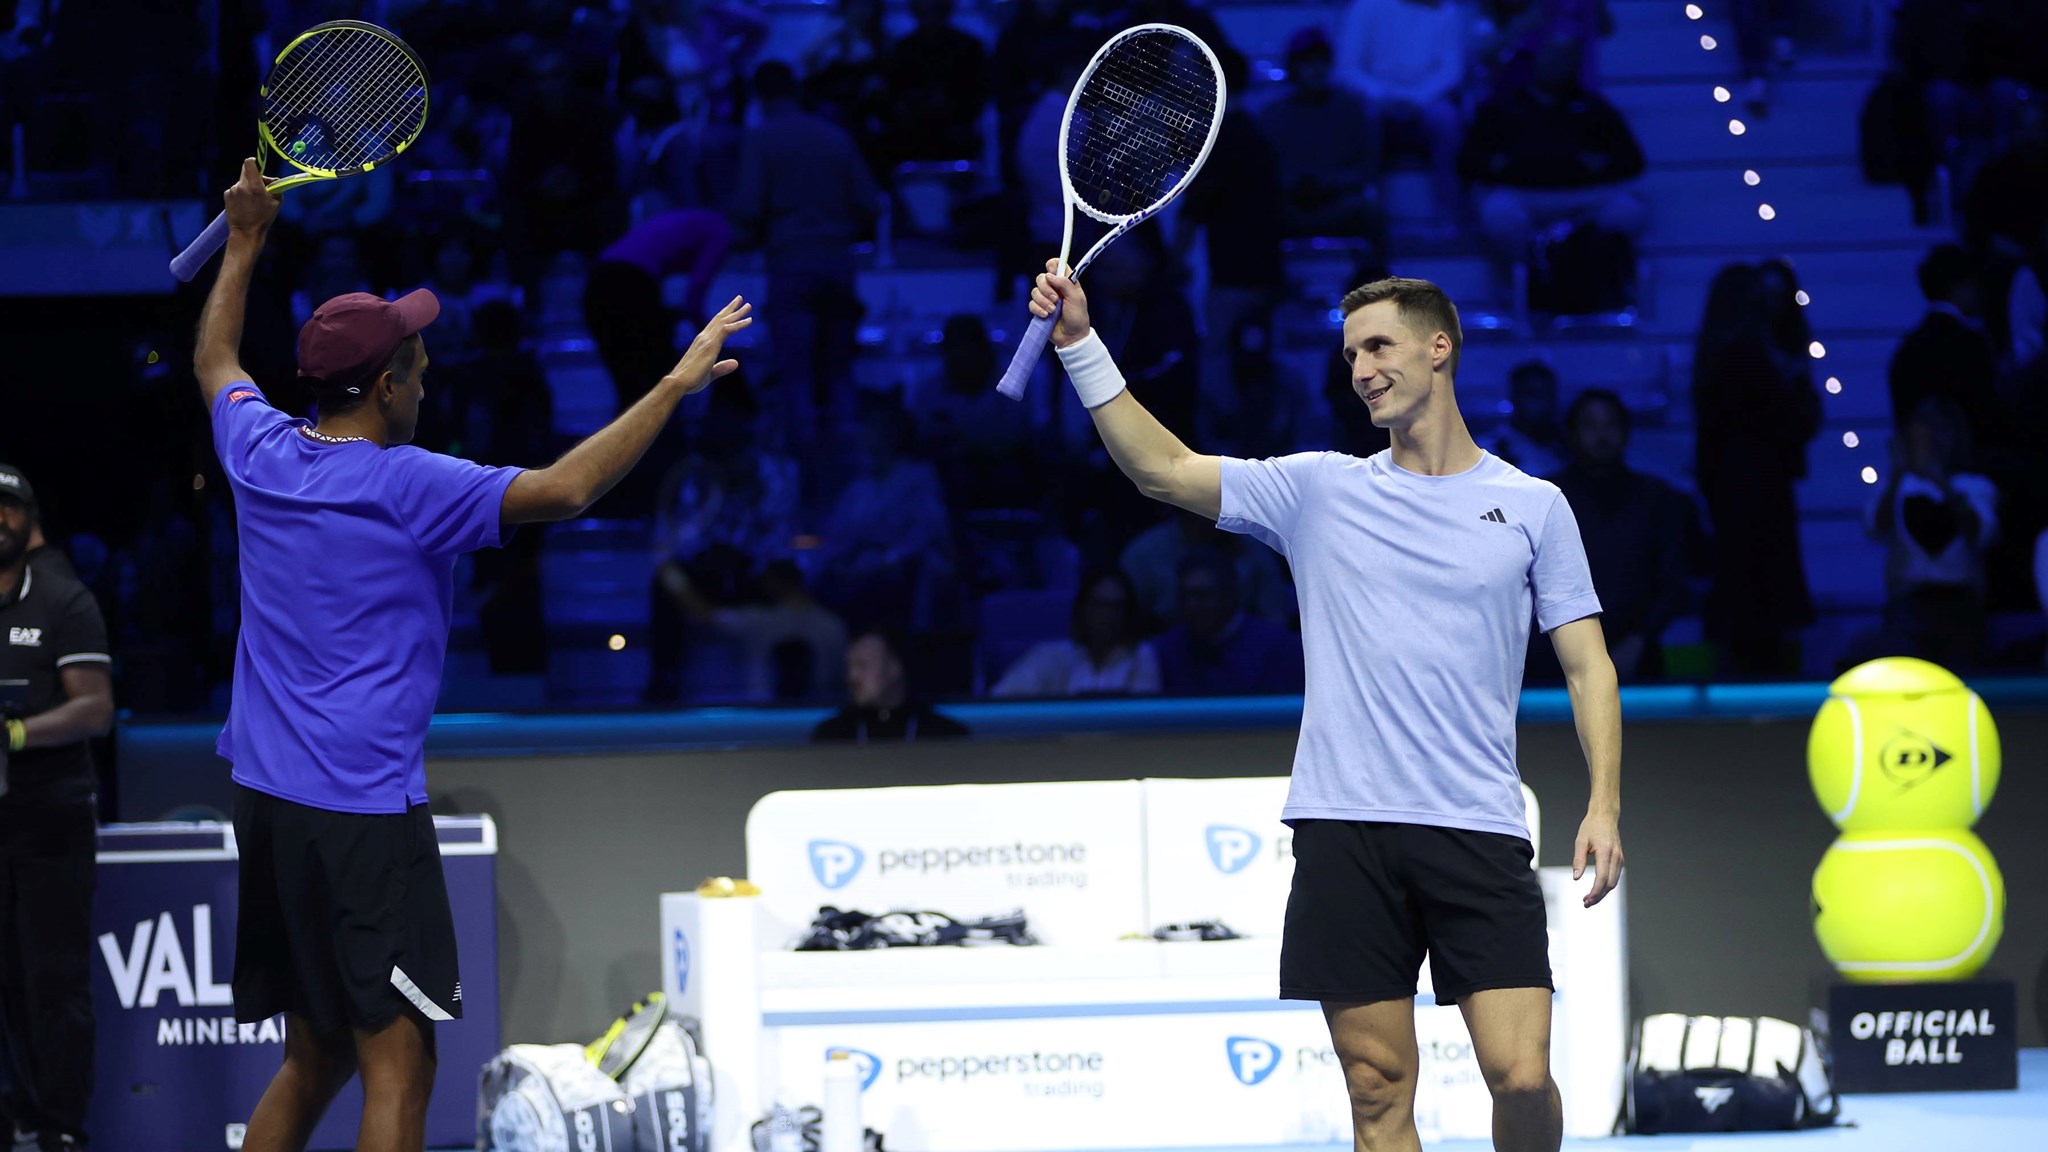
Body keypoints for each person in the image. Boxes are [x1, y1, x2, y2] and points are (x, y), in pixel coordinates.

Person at [194, 159, 754, 1152]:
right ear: (380, 387)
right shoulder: (408, 483)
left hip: (268, 806)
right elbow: (568, 491)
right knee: (400, 1072)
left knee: (313, 1054)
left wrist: (240, 246)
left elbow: (214, 361)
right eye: (413, 363)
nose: (426, 373)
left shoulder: (257, 453)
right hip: (363, 816)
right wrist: (671, 382)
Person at [1027, 262, 1622, 1152]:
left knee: (1522, 1075)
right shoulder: (1319, 490)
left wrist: (1604, 805)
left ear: (1439, 348)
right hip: (1346, 830)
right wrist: (1078, 344)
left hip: (1477, 827)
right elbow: (1165, 470)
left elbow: (1589, 668)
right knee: (1378, 1091)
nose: (1362, 368)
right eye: (1350, 355)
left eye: (1380, 346)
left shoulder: (1534, 507)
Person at [0, 464, 115, 1152]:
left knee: (54, 980)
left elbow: (95, 709)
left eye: (6, 508)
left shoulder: (64, 600)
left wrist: (14, 732)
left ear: (28, 518)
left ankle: (63, 1126)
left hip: (51, 820)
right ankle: (15, 1112)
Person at [728, 60, 880, 450]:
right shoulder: (834, 137)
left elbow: (747, 206)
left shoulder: (761, 139)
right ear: (795, 89)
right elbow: (868, 201)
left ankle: (806, 473)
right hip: (837, 260)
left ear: (760, 97)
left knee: (796, 374)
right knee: (840, 371)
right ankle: (850, 464)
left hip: (791, 259)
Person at [1692, 263, 1819, 675]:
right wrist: (1794, 380)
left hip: (1734, 481)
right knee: (1759, 595)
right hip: (1758, 481)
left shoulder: (1715, 351)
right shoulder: (1749, 355)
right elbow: (1793, 423)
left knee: (1742, 590)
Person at [1540, 390, 1698, 682]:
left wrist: (1639, 639)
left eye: (1611, 424)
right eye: (1590, 425)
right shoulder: (1544, 498)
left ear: (1626, 434)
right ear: (1571, 435)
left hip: (1637, 658)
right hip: (1556, 660)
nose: (1601, 435)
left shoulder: (1657, 498)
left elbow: (1674, 584)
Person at [1461, 36, 1647, 265]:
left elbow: (1632, 160)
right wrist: (1500, 165)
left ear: (1576, 65)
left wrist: (1603, 166)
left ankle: (1597, 278)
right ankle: (1525, 281)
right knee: (1498, 213)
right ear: (1537, 59)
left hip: (1583, 194)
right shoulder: (1502, 106)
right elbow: (1469, 159)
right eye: (1551, 55)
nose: (1556, 63)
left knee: (1627, 211)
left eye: (1566, 58)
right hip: (1523, 193)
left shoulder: (1594, 108)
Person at [1865, 398, 1999, 670]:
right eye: (1924, 428)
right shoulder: (1896, 487)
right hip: (1909, 601)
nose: (1932, 438)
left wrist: (1941, 482)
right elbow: (1875, 527)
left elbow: (1981, 534)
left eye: (1941, 429)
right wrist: (1897, 475)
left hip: (1961, 604)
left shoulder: (1974, 486)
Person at [1335, 0, 1468, 225]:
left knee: (1447, 122)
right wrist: (1381, 95)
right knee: (1363, 121)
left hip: (1428, 99)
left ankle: (1449, 213)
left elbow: (1451, 69)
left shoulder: (1448, 12)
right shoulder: (1365, 7)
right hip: (1374, 97)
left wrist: (1417, 99)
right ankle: (1368, 209)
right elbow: (1348, 67)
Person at [653, 559, 849, 703]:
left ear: (775, 584)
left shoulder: (760, 621)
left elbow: (704, 614)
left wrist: (670, 573)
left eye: (765, 581)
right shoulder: (832, 624)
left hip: (776, 714)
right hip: (813, 712)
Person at [1257, 29, 1382, 242]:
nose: (1316, 69)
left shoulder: (1352, 111)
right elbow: (1260, 171)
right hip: (1288, 205)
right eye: (1307, 62)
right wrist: (1294, 184)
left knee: (1371, 213)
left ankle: (1371, 274)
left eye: (1321, 61)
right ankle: (1263, 276)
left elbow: (1368, 167)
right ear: (1293, 66)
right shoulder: (1272, 116)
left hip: (1338, 204)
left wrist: (1330, 183)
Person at [1888, 244, 2001, 453]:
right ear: (1959, 285)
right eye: (1976, 284)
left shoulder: (1909, 346)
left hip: (1922, 461)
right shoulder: (1969, 344)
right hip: (1971, 457)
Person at [1153, 550, 1305, 695]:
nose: (1192, 605)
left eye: (1202, 596)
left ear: (1229, 596)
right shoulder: (1166, 649)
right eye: (1185, 596)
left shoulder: (1279, 648)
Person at [991, 569, 1162, 698]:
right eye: (1099, 605)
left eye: (1116, 607)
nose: (1107, 616)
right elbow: (1001, 698)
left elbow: (1142, 720)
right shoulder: (1051, 655)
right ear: (1082, 608)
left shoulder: (1141, 656)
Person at [812, 628, 969, 743]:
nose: (851, 676)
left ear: (894, 668)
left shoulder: (944, 735)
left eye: (862, 665)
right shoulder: (831, 736)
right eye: (849, 666)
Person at [1486, 359, 1567, 478]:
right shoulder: (1491, 448)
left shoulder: (1568, 447)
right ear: (1515, 396)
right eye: (1532, 394)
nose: (1541, 402)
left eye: (1547, 394)